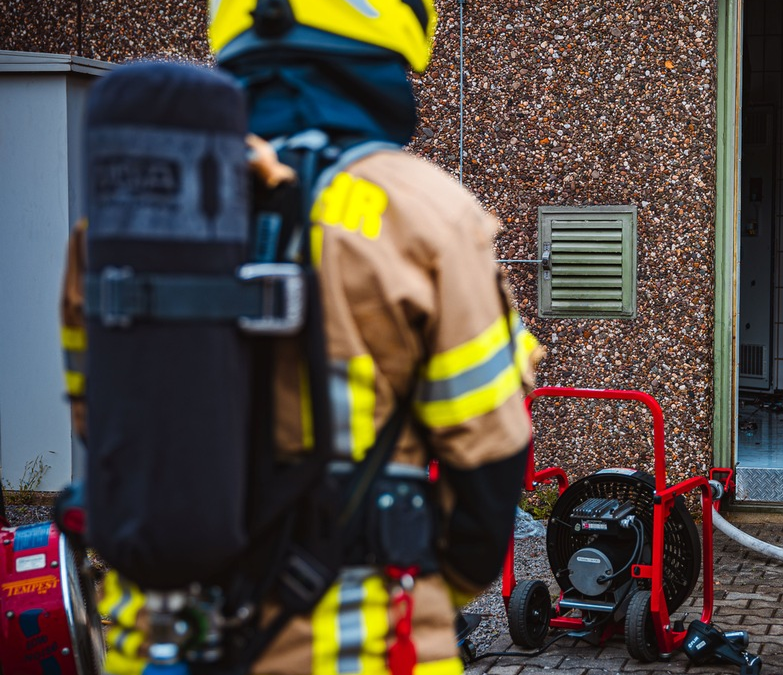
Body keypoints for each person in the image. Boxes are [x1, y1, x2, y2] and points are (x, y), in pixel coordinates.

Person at [60, 2, 542, 674]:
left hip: (160, 644)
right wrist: (419, 578)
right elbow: (490, 470)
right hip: (359, 647)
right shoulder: (426, 213)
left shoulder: (129, 221)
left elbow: (99, 420)